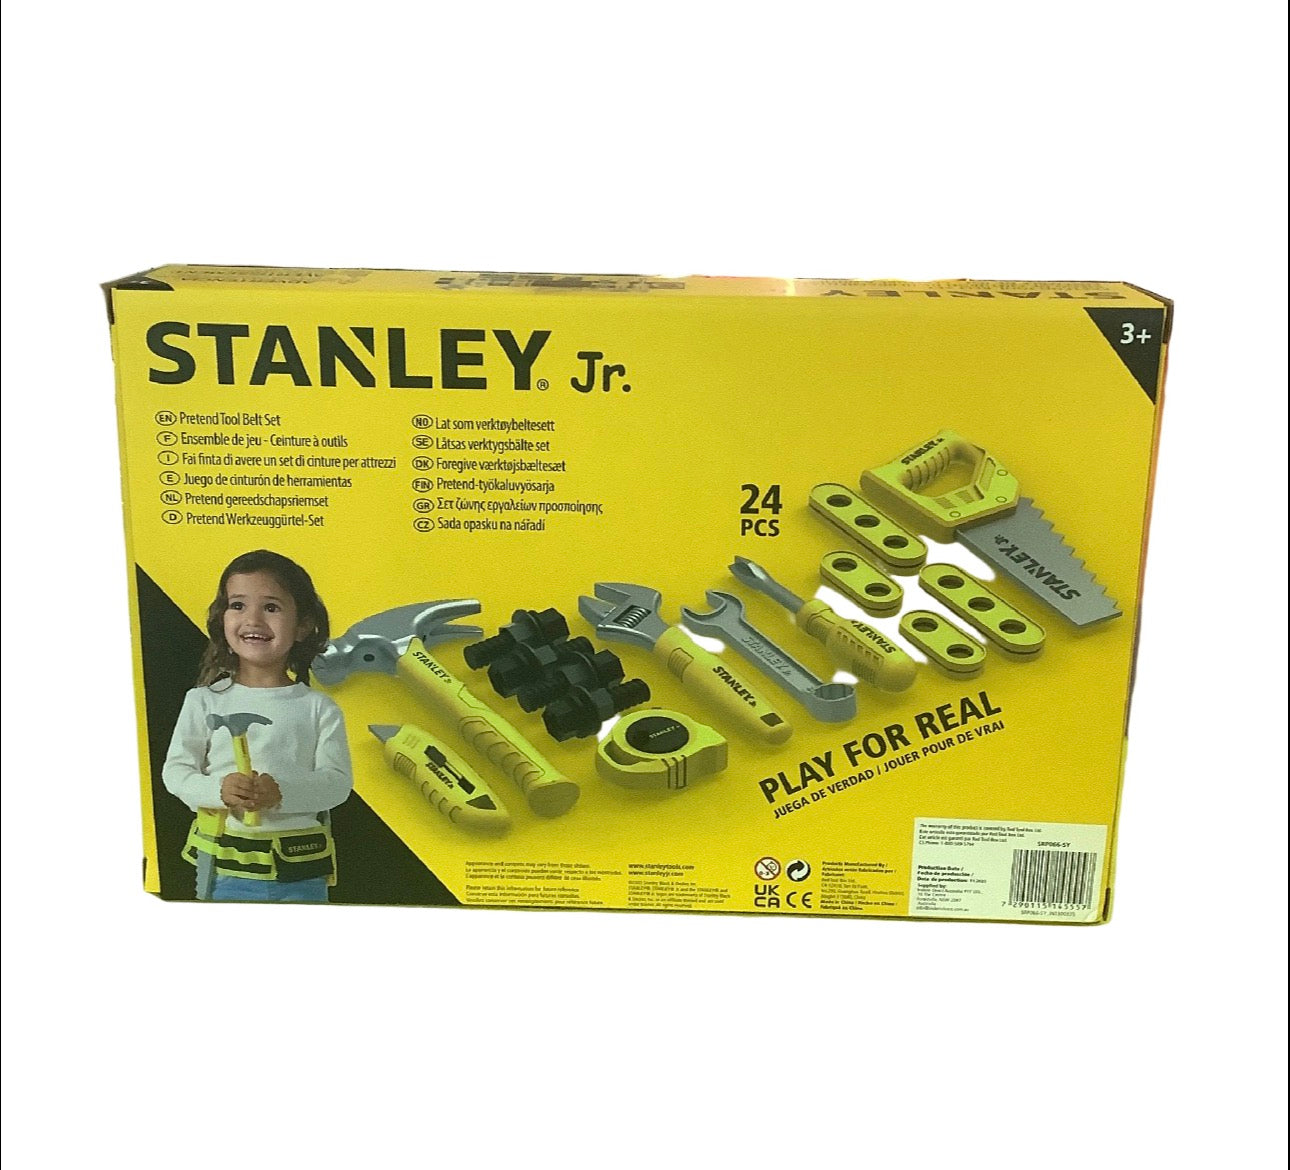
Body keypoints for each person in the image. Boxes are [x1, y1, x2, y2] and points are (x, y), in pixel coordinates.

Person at [162, 550, 352, 903]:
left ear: (303, 625)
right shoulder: (203, 701)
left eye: (271, 607)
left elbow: (337, 785)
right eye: (238, 605)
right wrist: (218, 790)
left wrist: (282, 792)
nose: (253, 619)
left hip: (300, 871)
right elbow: (176, 772)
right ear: (222, 618)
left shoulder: (319, 708)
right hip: (224, 868)